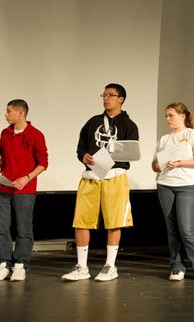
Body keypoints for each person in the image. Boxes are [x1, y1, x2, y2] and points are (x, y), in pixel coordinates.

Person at [62, 83, 139, 282]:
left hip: (115, 176)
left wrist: (112, 157)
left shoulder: (128, 125)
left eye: (111, 95)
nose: (106, 98)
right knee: (81, 220)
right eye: (104, 95)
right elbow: (80, 148)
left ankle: (110, 266)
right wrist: (84, 157)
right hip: (91, 176)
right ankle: (81, 267)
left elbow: (131, 152)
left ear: (121, 99)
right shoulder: (93, 121)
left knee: (114, 221)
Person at [0, 99, 48, 281]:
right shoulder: (5, 133)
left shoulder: (35, 134)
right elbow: (3, 160)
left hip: (25, 189)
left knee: (23, 228)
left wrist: (27, 177)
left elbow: (43, 163)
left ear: (21, 113)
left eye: (8, 111)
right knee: (0, 227)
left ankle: (21, 265)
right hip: (3, 187)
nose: (5, 115)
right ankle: (4, 263)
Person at [152, 102, 194, 281]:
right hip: (165, 185)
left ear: (182, 116)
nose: (168, 119)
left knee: (186, 228)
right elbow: (154, 165)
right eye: (166, 116)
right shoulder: (164, 139)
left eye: (171, 115)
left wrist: (180, 162)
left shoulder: (193, 135)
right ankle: (177, 265)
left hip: (186, 186)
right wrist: (161, 164)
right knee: (172, 229)